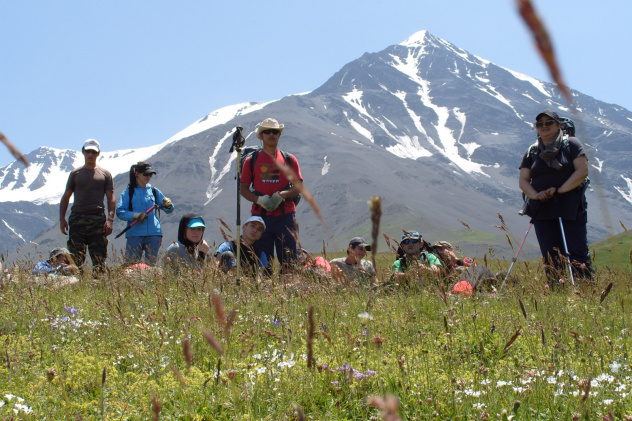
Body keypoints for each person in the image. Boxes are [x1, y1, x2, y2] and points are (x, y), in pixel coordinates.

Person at [519, 109, 593, 283]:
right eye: (540, 124)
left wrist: (559, 190)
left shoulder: (572, 144)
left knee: (576, 250)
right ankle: (556, 290)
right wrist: (537, 195)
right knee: (549, 254)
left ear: (559, 125)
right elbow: (523, 180)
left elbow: (582, 171)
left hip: (570, 206)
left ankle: (585, 290)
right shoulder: (532, 151)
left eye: (549, 122)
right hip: (542, 209)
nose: (544, 126)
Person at [240, 118, 303, 272]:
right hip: (260, 217)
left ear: (279, 135)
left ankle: (289, 291)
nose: (271, 134)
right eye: (266, 131)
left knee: (289, 261)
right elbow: (243, 189)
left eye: (274, 131)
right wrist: (259, 200)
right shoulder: (251, 160)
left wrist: (281, 195)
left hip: (286, 214)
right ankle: (265, 292)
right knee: (262, 262)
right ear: (261, 135)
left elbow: (298, 186)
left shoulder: (289, 159)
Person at [59, 139, 116, 275]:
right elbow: (66, 197)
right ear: (83, 152)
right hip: (77, 218)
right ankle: (75, 284)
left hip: (97, 218)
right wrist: (62, 219)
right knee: (76, 256)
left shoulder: (105, 174)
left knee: (99, 257)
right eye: (88, 151)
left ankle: (99, 285)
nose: (91, 154)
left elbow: (111, 198)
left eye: (94, 152)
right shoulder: (75, 174)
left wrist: (110, 220)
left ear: (98, 154)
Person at [116, 162, 174, 265]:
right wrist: (135, 215)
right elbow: (120, 212)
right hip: (135, 234)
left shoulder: (154, 191)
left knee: (151, 265)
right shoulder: (128, 192)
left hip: (154, 233)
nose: (149, 177)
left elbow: (168, 210)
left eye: (150, 174)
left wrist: (169, 205)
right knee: (131, 265)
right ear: (137, 173)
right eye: (146, 174)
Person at [432, 241, 496, 294]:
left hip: (472, 285)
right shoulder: (442, 268)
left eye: (441, 249)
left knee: (480, 268)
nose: (440, 252)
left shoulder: (465, 261)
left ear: (451, 249)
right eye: (437, 251)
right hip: (454, 288)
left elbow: (476, 272)